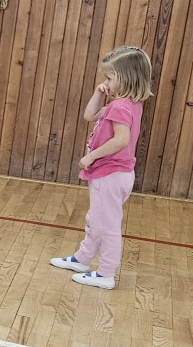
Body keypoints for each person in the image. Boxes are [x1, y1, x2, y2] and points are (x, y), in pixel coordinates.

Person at [50, 46, 153, 290]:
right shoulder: (129, 103)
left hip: (110, 174)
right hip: (114, 173)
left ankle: (106, 273)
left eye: (109, 78)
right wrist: (99, 92)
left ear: (125, 78)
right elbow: (89, 115)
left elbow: (121, 140)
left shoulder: (120, 107)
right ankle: (82, 259)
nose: (105, 82)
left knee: (107, 226)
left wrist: (91, 156)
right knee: (96, 220)